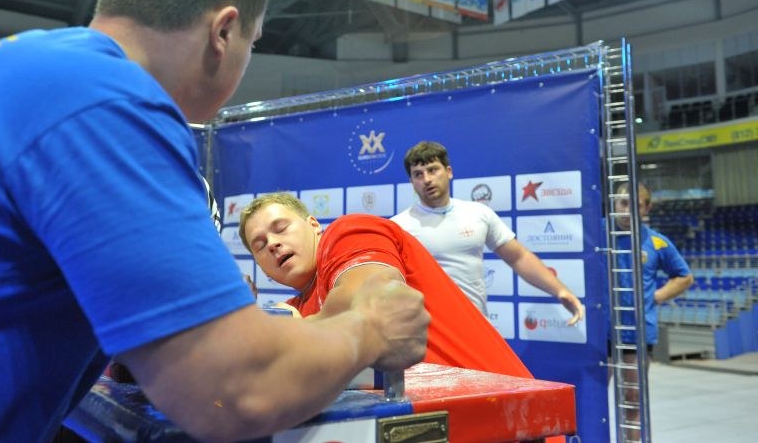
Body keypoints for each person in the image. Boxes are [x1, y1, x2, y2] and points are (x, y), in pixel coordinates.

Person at [0, 0, 429, 442]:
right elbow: (233, 391)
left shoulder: (38, 69)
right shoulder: (107, 102)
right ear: (224, 32)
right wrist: (371, 330)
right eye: (253, 44)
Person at [239, 192, 533, 378]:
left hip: (511, 425)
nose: (274, 244)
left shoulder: (348, 232)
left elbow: (368, 307)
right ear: (261, 268)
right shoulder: (295, 310)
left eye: (281, 228)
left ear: (314, 226)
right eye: (260, 245)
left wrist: (277, 334)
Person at [392, 141, 584, 324]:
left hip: (476, 325)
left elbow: (518, 257)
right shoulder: (399, 226)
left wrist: (560, 290)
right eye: (418, 174)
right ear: (411, 181)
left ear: (448, 172)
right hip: (428, 332)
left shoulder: (478, 213)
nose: (427, 179)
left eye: (433, 170)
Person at [609, 182, 693, 436]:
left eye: (634, 205)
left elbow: (684, 277)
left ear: (646, 208)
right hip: (600, 334)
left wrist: (654, 297)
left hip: (638, 334)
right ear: (614, 204)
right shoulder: (598, 234)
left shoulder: (656, 242)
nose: (626, 211)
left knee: (633, 400)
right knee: (589, 400)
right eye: (622, 203)